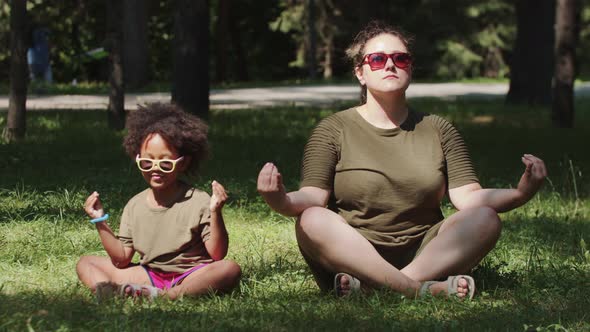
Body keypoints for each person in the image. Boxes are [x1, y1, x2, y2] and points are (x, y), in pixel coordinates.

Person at [257, 21, 547, 299]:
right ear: (360, 72)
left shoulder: (438, 128)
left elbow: (469, 198)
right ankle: (420, 290)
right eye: (378, 59)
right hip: (351, 254)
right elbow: (312, 197)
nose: (390, 65)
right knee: (312, 219)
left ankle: (381, 287)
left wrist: (522, 192)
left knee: (485, 218)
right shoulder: (333, 128)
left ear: (410, 67)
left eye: (400, 58)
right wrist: (279, 199)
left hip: (428, 254)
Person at [77, 103, 241, 300]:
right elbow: (121, 260)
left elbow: (217, 254)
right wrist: (100, 221)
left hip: (192, 275)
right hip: (150, 274)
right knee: (86, 263)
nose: (155, 169)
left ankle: (166, 295)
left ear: (184, 163)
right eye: (147, 162)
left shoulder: (198, 200)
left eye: (165, 163)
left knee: (229, 269)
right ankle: (110, 292)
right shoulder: (134, 205)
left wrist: (215, 212)